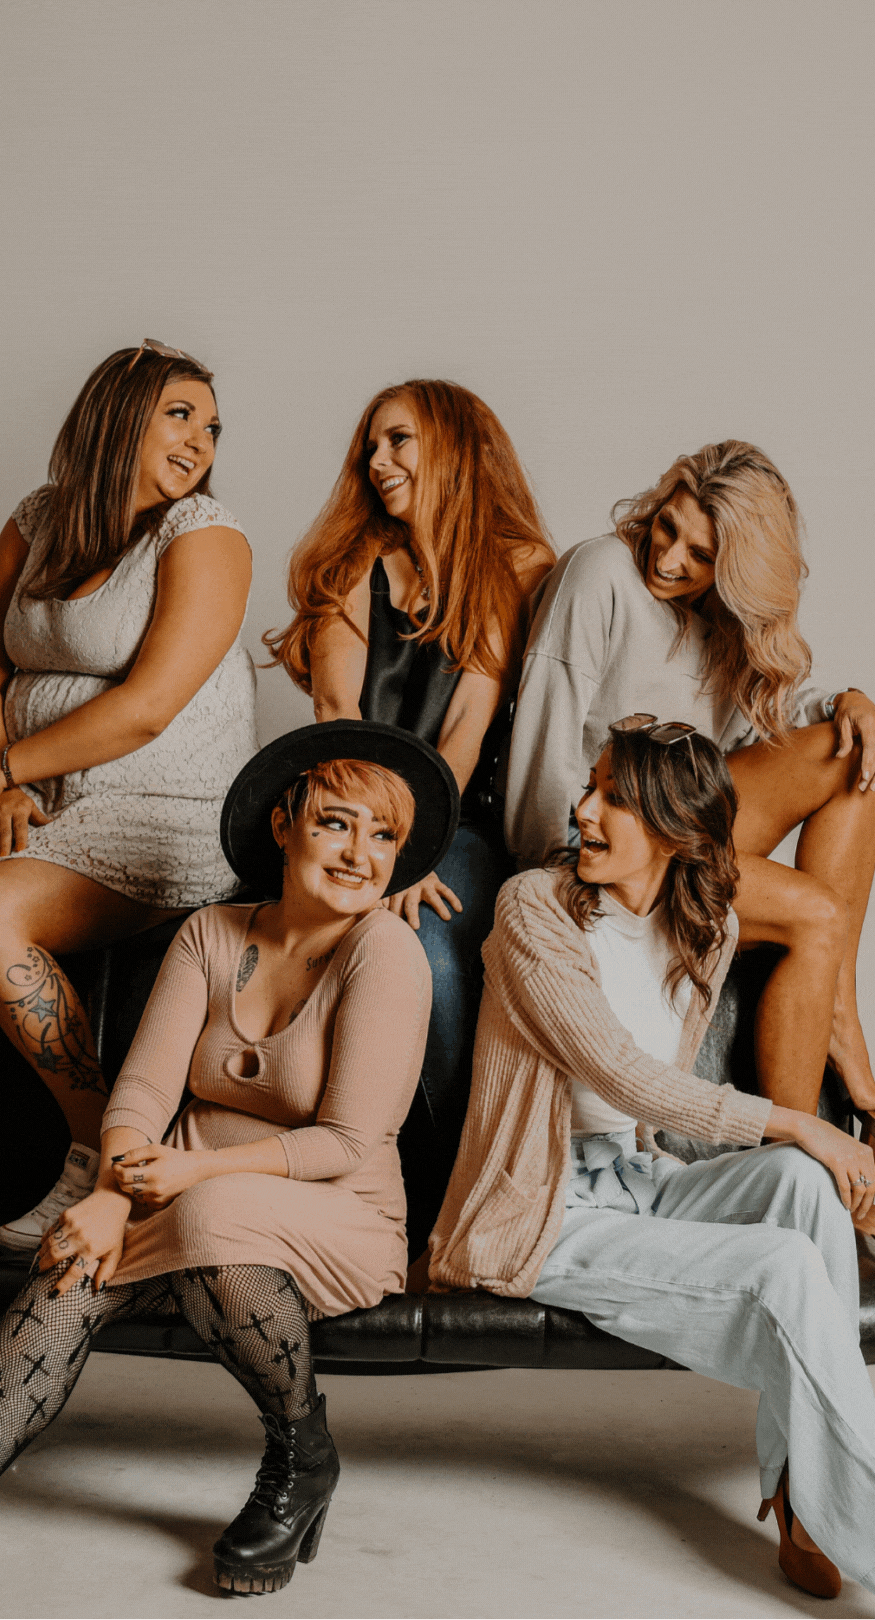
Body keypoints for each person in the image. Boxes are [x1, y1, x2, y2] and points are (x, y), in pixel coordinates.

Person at [0, 720, 457, 1611]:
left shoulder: (384, 951)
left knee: (206, 1224)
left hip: (337, 1212)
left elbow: (350, 1144)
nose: (360, 853)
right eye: (336, 822)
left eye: (383, 834)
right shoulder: (210, 935)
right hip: (179, 1190)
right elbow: (136, 1102)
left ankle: (299, 1452)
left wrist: (171, 1183)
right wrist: (104, 1200)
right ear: (284, 825)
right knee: (68, 1269)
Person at [430, 720, 875, 1598]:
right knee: (786, 1249)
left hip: (639, 1183)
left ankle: (801, 1498)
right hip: (544, 1208)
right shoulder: (534, 908)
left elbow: (650, 1111)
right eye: (590, 787)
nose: (584, 809)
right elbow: (621, 1073)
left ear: (676, 830)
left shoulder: (703, 929)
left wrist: (804, 1147)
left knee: (801, 1189)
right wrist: (803, 1121)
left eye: (615, 798)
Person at [0, 341, 258, 1249]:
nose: (201, 439)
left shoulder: (207, 534)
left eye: (211, 425)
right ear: (118, 414)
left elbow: (146, 711)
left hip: (161, 811)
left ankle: (107, 1149)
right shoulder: (38, 517)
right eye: (180, 414)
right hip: (31, 796)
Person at [505, 440, 875, 1138]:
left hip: (678, 826)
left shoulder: (723, 623)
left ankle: (839, 1010)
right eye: (667, 526)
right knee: (816, 915)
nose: (668, 559)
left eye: (700, 555)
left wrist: (853, 699)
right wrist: (559, 879)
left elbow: (773, 713)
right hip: (602, 843)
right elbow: (546, 746)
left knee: (853, 746)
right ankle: (805, 1155)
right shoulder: (603, 574)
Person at [265, 380, 554, 1230]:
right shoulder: (355, 567)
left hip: (451, 820)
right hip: (349, 807)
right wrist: (372, 843)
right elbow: (336, 722)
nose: (376, 463)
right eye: (371, 447)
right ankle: (338, 1189)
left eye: (398, 442)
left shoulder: (516, 568)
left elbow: (463, 735)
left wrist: (415, 850)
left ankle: (442, 1202)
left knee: (427, 942)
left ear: (454, 448)